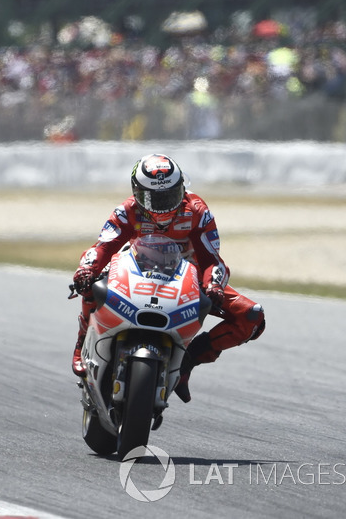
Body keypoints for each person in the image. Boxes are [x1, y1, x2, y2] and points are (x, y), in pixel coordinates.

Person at [70, 153, 265, 403]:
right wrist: (86, 270)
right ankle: (82, 339)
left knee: (252, 316)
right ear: (137, 192)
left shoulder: (198, 211)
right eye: (153, 197)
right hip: (135, 267)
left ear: (182, 187)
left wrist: (214, 285)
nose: (162, 205)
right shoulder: (126, 210)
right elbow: (103, 247)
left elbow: (211, 259)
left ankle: (189, 359)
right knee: (90, 282)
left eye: (169, 195)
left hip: (188, 275)